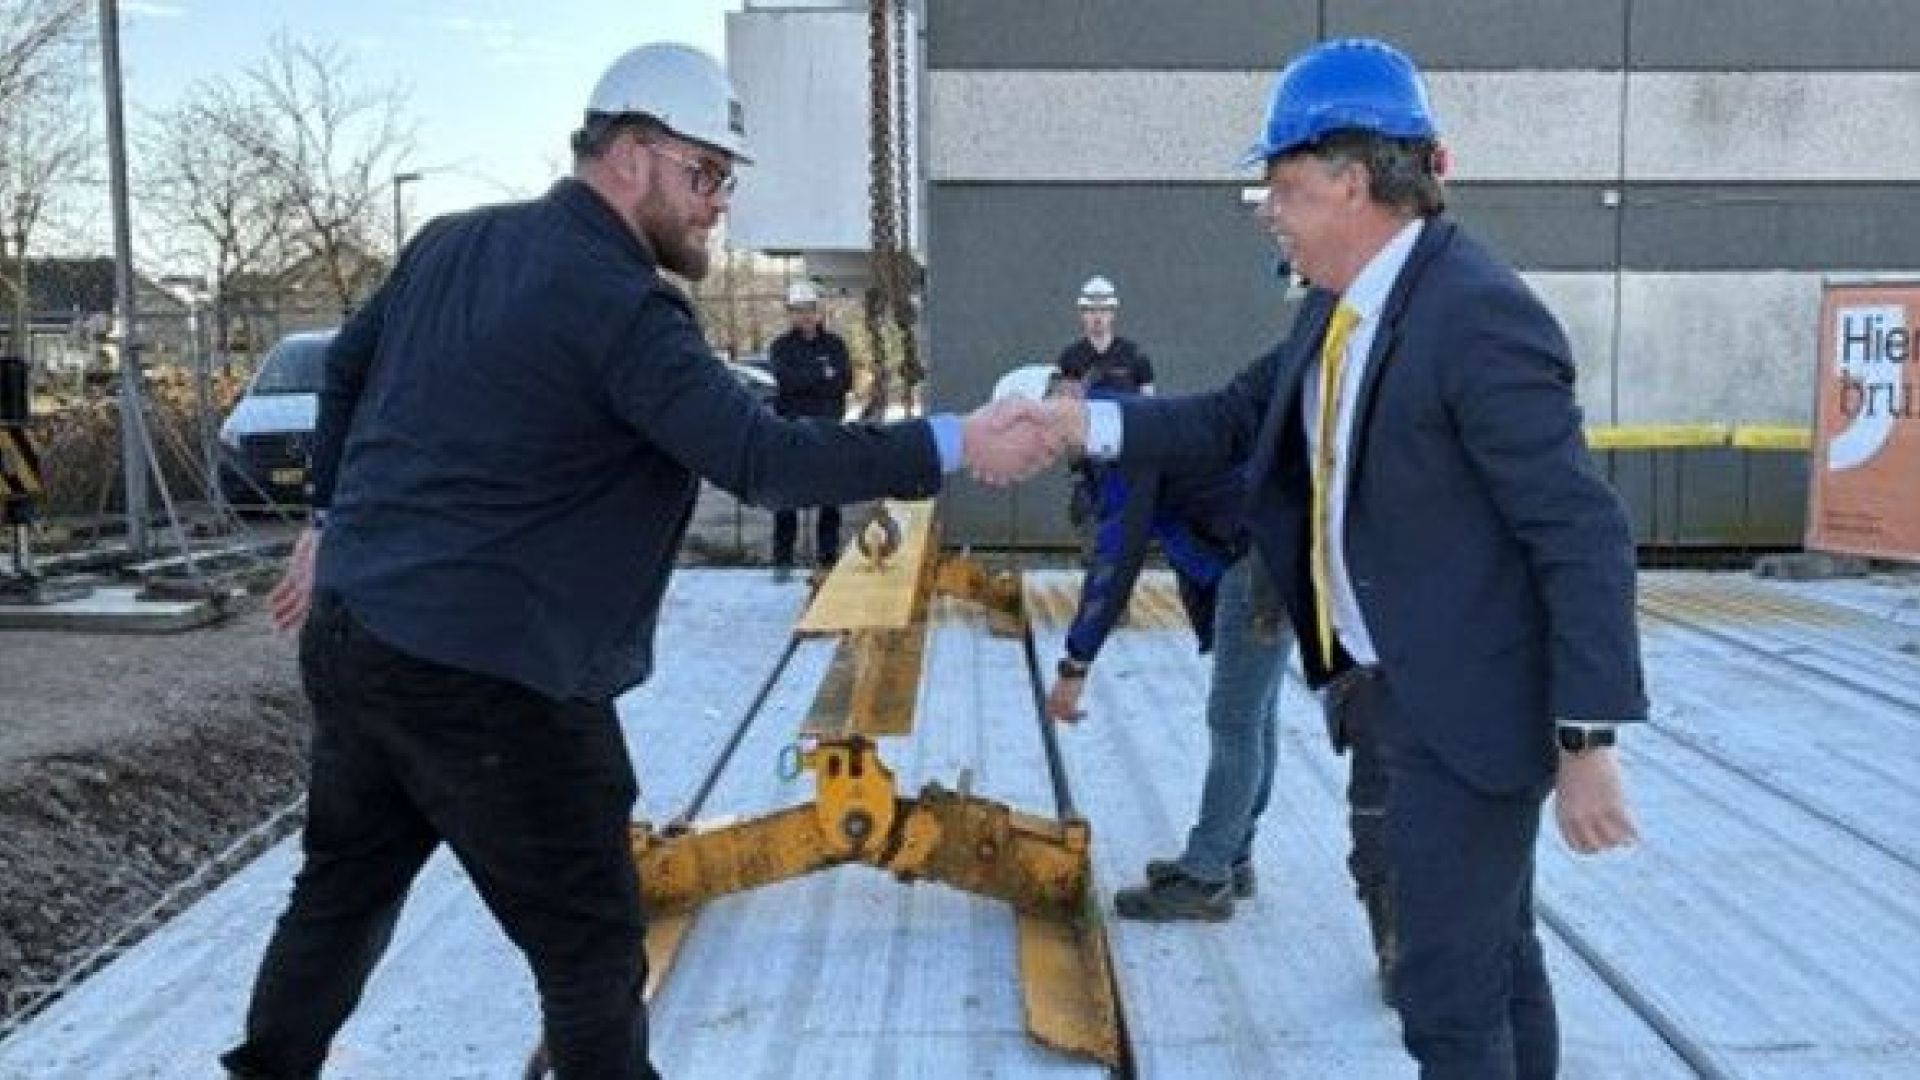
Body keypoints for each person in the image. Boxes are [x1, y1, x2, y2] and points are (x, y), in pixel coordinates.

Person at [224, 43, 1057, 1080]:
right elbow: (762, 456)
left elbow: (346, 369)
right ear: (631, 154)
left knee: (340, 891)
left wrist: (331, 520)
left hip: (360, 643)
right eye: (706, 174)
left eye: (725, 181)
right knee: (589, 949)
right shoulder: (618, 300)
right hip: (495, 679)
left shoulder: (453, 243)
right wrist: (956, 442)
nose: (718, 205)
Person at [1037, 38, 1643, 1079]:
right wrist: (1078, 427)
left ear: (1351, 182)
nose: (1268, 208)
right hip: (1391, 692)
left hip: (1471, 714)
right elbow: (1231, 417)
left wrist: (1586, 738)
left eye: (1280, 184)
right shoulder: (1341, 304)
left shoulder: (1476, 314)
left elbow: (1579, 531)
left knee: (1447, 1000)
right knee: (1499, 958)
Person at [1039, 379, 1291, 922]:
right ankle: (1230, 853)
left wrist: (1075, 662)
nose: (1052, 449)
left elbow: (1118, 555)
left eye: (1052, 433)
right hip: (1272, 552)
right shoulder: (1130, 425)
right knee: (1255, 717)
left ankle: (1206, 877)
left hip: (1258, 564)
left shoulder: (1129, 443)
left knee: (1235, 722)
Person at [1054, 276, 1155, 550]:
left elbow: (1149, 406)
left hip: (1124, 451)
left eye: (1103, 310)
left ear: (1113, 313)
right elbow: (1064, 409)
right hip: (1087, 453)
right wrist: (1074, 459)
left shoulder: (1134, 356)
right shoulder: (1071, 358)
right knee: (1089, 515)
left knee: (1125, 517)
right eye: (1090, 311)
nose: (1097, 317)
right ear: (1082, 315)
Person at [767, 279, 853, 576]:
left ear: (818, 311)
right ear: (789, 313)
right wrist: (822, 375)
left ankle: (828, 560)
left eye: (809, 310)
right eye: (797, 310)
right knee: (786, 499)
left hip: (828, 432)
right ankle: (782, 562)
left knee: (829, 499)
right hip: (792, 433)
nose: (804, 316)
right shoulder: (780, 347)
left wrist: (811, 379)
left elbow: (845, 382)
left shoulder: (835, 345)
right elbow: (788, 383)